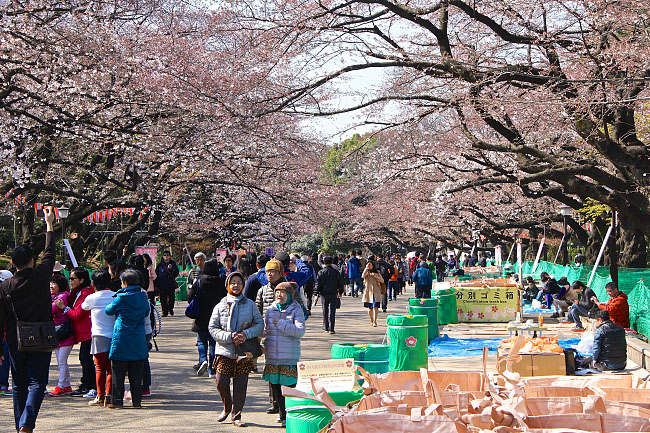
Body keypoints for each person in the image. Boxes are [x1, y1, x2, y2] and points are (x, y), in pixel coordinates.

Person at [0, 206, 55, 433]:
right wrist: (49, 224)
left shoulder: (6, 286)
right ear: (32, 261)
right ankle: (26, 423)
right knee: (37, 383)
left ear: (13, 263)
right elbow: (50, 252)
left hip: (15, 339)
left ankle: (20, 425)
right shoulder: (41, 276)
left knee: (18, 384)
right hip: (41, 337)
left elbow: (0, 318)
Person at [209, 272, 263, 427]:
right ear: (228, 285)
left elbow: (260, 325)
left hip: (244, 352)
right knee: (221, 382)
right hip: (224, 350)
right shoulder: (220, 305)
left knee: (240, 385)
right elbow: (212, 328)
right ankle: (227, 406)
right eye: (233, 282)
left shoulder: (250, 305)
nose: (236, 285)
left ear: (243, 285)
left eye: (239, 282)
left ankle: (236, 415)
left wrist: (245, 335)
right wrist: (229, 336)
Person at [105, 269, 150, 409]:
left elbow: (108, 310)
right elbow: (146, 312)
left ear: (124, 283)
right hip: (138, 339)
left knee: (118, 372)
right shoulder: (143, 297)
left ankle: (117, 401)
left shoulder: (121, 298)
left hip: (122, 338)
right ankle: (137, 401)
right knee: (136, 374)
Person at [262, 282, 306, 427]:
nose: (279, 295)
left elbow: (300, 331)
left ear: (289, 295)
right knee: (275, 386)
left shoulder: (296, 309)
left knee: (288, 387)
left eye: (282, 292)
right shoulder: (270, 310)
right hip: (272, 356)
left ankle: (290, 414)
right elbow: (266, 330)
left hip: (289, 356)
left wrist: (281, 324)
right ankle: (282, 415)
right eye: (277, 292)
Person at [55, 267, 95, 397]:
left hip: (87, 331)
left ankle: (89, 385)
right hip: (83, 332)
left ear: (82, 280)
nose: (70, 281)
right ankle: (86, 384)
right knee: (84, 358)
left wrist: (64, 308)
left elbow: (78, 314)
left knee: (86, 359)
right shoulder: (77, 292)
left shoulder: (85, 294)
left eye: (73, 278)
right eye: (70, 278)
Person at [81, 269, 116, 407]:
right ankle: (110, 395)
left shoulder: (92, 298)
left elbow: (84, 307)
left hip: (98, 336)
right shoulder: (115, 296)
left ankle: (100, 396)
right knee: (111, 369)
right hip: (114, 336)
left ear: (94, 283)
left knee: (99, 368)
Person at [188, 259, 226, 377]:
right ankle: (212, 369)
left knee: (201, 340)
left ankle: (203, 359)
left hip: (201, 315)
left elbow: (190, 297)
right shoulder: (221, 280)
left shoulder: (199, 281)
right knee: (213, 343)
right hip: (217, 315)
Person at [48, 274, 76, 396]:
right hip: (58, 334)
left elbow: (51, 309)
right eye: (50, 283)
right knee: (61, 361)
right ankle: (67, 386)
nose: (51, 286)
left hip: (65, 334)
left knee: (61, 361)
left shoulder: (63, 296)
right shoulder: (54, 296)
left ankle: (60, 386)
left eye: (54, 283)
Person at [315, 256, 344, 334]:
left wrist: (316, 294)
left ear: (324, 262)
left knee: (325, 310)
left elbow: (318, 284)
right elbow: (340, 283)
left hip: (324, 293)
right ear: (332, 262)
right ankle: (332, 328)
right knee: (332, 311)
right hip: (333, 293)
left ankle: (326, 327)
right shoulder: (336, 272)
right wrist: (341, 292)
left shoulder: (321, 272)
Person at [155, 250, 179, 317]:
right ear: (163, 256)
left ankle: (170, 308)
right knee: (163, 299)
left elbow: (176, 273)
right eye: (165, 255)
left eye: (167, 255)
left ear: (170, 256)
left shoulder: (173, 263)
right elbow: (156, 274)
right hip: (162, 284)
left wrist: (171, 269)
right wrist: (156, 285)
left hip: (170, 284)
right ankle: (164, 311)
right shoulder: (160, 265)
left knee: (172, 298)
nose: (166, 256)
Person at [362, 261, 383, 327]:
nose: (369, 266)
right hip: (368, 293)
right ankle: (371, 320)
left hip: (376, 292)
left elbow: (382, 280)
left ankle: (375, 321)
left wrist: (377, 277)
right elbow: (362, 276)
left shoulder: (377, 272)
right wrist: (366, 269)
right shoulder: (366, 273)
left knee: (375, 307)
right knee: (370, 309)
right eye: (368, 264)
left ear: (373, 265)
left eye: (370, 265)